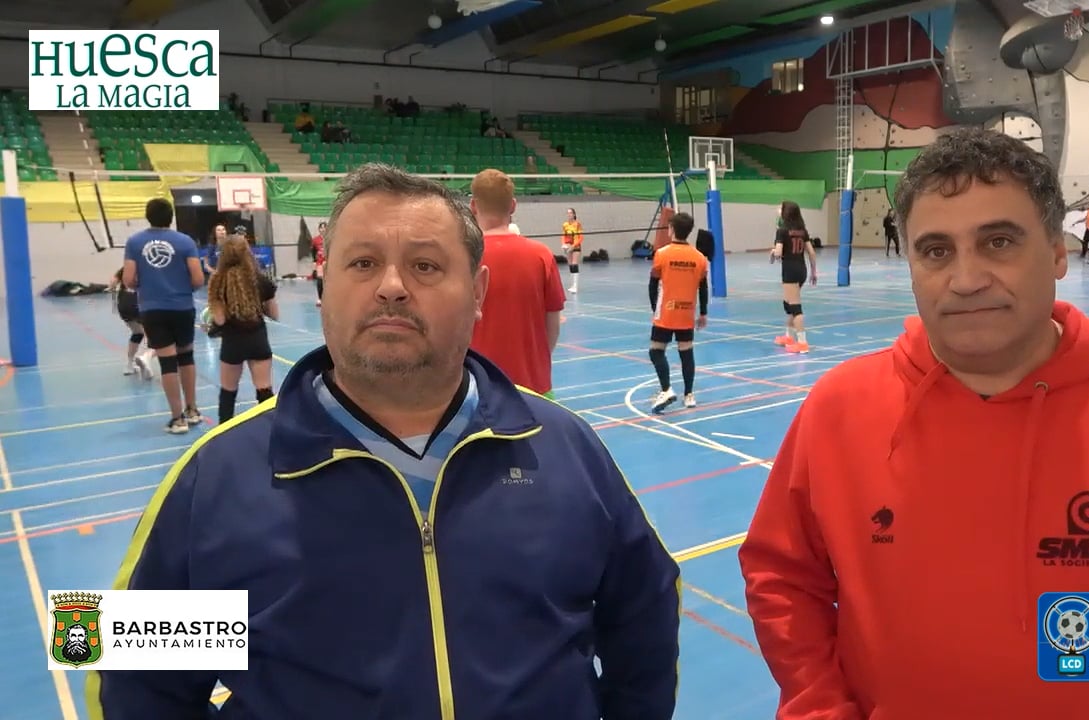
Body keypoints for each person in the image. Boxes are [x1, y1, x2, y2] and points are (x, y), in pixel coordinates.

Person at [89, 163, 681, 720]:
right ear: (324, 282)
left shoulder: (563, 446)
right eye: (363, 263)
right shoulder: (216, 476)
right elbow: (127, 677)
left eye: (425, 266)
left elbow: (646, 611)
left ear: (478, 292)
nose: (391, 287)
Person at [738, 127, 1089, 720]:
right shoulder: (839, 408)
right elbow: (783, 578)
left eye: (998, 242)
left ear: (1057, 253)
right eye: (936, 250)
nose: (966, 279)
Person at [468, 168, 565, 398]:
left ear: (473, 206)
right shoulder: (542, 255)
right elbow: (552, 324)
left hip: (479, 388)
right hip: (534, 387)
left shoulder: (464, 256)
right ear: (513, 206)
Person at [123, 197, 204, 433]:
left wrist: (148, 285)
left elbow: (128, 279)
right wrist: (181, 288)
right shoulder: (185, 241)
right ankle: (192, 410)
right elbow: (198, 279)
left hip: (153, 309)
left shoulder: (135, 242)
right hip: (182, 307)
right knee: (186, 358)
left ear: (148, 216)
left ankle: (177, 419)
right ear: (171, 216)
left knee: (167, 363)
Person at [204, 233, 279, 424]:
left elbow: (220, 320)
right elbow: (274, 314)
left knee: (228, 392)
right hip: (258, 340)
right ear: (247, 253)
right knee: (264, 390)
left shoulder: (218, 282)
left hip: (232, 343)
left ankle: (223, 432)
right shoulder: (259, 280)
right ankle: (269, 429)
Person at [647, 211, 708, 413]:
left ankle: (666, 389)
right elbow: (703, 287)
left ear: (671, 229)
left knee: (656, 351)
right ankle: (689, 395)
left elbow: (653, 284)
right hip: (687, 311)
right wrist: (703, 312)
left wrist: (655, 308)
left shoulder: (661, 254)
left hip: (666, 311)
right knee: (686, 351)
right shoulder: (699, 258)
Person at [771, 200, 817, 354]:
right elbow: (811, 253)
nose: (778, 209)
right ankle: (788, 336)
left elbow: (778, 252)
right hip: (801, 270)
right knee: (789, 304)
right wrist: (814, 272)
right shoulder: (802, 231)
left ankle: (802, 343)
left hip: (790, 271)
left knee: (795, 307)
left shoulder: (782, 231)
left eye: (781, 208)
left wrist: (773, 252)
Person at [107, 266, 154, 380]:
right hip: (138, 303)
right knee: (155, 335)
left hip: (124, 305)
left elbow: (112, 283)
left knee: (137, 333)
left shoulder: (125, 268)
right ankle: (146, 358)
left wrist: (113, 296)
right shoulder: (148, 267)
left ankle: (129, 365)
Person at [562, 207, 583, 293]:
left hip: (576, 246)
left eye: (570, 213)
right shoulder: (565, 224)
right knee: (570, 265)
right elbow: (563, 236)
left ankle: (575, 286)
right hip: (568, 245)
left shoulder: (577, 224)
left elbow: (581, 238)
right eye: (568, 213)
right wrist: (563, 244)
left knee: (574, 264)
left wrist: (573, 246)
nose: (569, 214)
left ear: (574, 214)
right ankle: (572, 285)